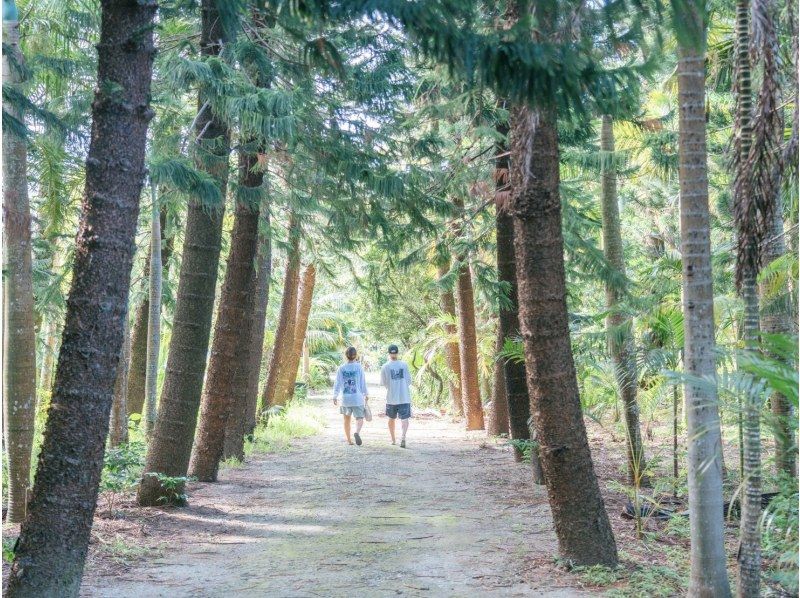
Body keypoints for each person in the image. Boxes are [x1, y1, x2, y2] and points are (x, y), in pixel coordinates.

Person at [332, 346, 369, 446]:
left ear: (346, 356)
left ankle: (349, 440)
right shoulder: (359, 367)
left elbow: (337, 383)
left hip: (346, 398)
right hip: (357, 398)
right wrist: (366, 393)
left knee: (346, 419)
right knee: (359, 418)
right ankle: (356, 432)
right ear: (355, 356)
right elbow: (362, 382)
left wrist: (335, 395)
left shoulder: (341, 368)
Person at [380, 344, 412, 448]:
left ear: (389, 353)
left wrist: (392, 387)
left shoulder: (385, 366)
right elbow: (408, 381)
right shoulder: (404, 365)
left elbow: (384, 383)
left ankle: (393, 439)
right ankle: (403, 437)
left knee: (391, 418)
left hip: (391, 398)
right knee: (405, 419)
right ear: (397, 353)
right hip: (404, 396)